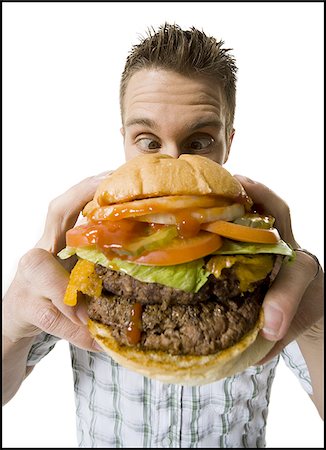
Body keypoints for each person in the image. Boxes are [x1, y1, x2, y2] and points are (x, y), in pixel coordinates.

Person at [2, 23, 324, 448]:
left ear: (228, 143)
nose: (171, 162)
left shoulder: (272, 270)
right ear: (124, 139)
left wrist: (316, 324)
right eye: (149, 141)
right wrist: (11, 325)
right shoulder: (80, 256)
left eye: (200, 140)